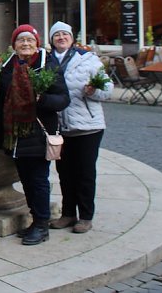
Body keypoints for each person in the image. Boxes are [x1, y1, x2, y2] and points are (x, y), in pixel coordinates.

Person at [0, 24, 69, 246]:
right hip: (15, 134)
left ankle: (42, 225)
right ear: (14, 45)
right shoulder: (8, 67)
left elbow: (63, 99)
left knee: (38, 180)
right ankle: (35, 220)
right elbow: (0, 104)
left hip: (38, 132)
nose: (25, 44)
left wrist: (42, 100)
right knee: (26, 180)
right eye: (20, 40)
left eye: (30, 40)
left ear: (37, 43)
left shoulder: (47, 65)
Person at [46, 21, 113, 234]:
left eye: (65, 34)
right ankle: (67, 214)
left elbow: (108, 89)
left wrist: (94, 91)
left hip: (88, 127)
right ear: (51, 40)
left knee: (84, 173)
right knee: (64, 173)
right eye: (57, 35)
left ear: (72, 38)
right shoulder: (46, 62)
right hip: (60, 126)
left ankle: (85, 216)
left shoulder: (88, 59)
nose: (61, 38)